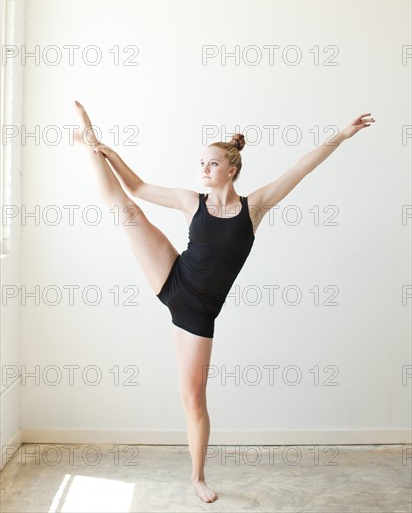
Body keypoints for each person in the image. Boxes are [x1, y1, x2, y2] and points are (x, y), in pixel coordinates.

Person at [73, 101, 374, 503]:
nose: (204, 168)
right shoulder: (190, 201)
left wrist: (342, 134)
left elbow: (302, 167)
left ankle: (197, 477)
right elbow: (138, 189)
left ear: (231, 169)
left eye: (212, 163)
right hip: (172, 277)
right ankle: (88, 143)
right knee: (126, 211)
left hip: (199, 312)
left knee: (192, 398)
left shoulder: (255, 207)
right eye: (202, 162)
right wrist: (109, 152)